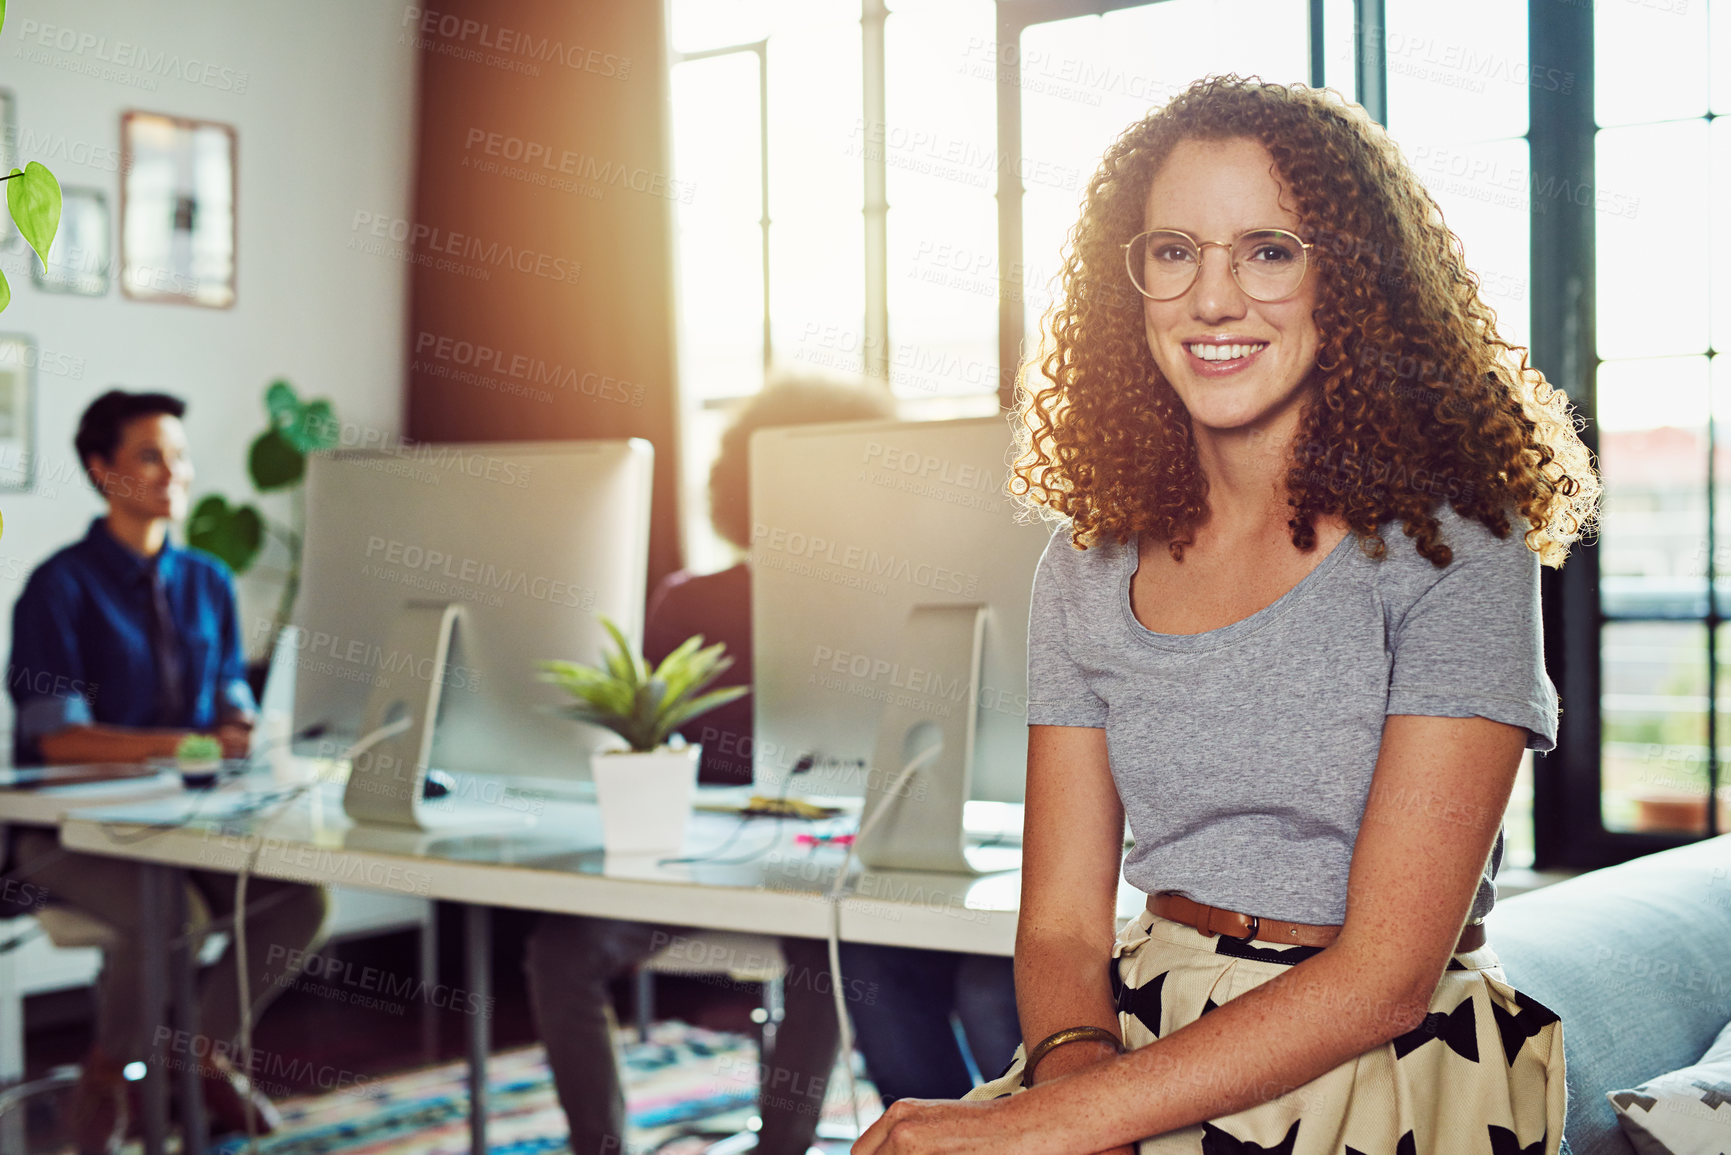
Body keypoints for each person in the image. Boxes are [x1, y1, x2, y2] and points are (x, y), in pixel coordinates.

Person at [854, 76, 1599, 1155]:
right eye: (1173, 252)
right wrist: (1075, 1083)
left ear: (1350, 280)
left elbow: (1384, 979)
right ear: (1134, 289)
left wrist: (1055, 1126)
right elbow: (1062, 923)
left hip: (1379, 1055)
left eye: (1267, 249)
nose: (1212, 299)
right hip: (1135, 1022)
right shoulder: (1087, 564)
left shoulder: (1457, 548)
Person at [4, 390, 329, 1154]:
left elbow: (228, 700)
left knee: (297, 902)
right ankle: (109, 1076)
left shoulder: (208, 581)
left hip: (186, 824)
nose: (173, 472)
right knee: (169, 916)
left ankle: (200, 1055)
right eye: (150, 455)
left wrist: (244, 726)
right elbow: (55, 740)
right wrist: (190, 746)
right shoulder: (59, 588)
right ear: (103, 470)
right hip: (68, 836)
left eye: (178, 455)